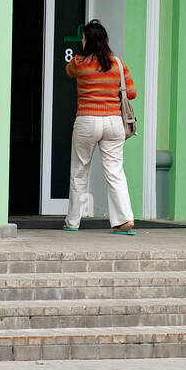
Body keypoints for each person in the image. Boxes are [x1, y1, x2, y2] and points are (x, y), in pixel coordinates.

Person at [62, 20, 137, 234]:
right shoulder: (118, 65)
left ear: (88, 41)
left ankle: (73, 222)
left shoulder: (79, 63)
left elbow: (68, 71)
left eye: (84, 38)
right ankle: (124, 221)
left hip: (87, 120)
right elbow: (131, 93)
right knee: (115, 172)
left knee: (79, 171)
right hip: (113, 122)